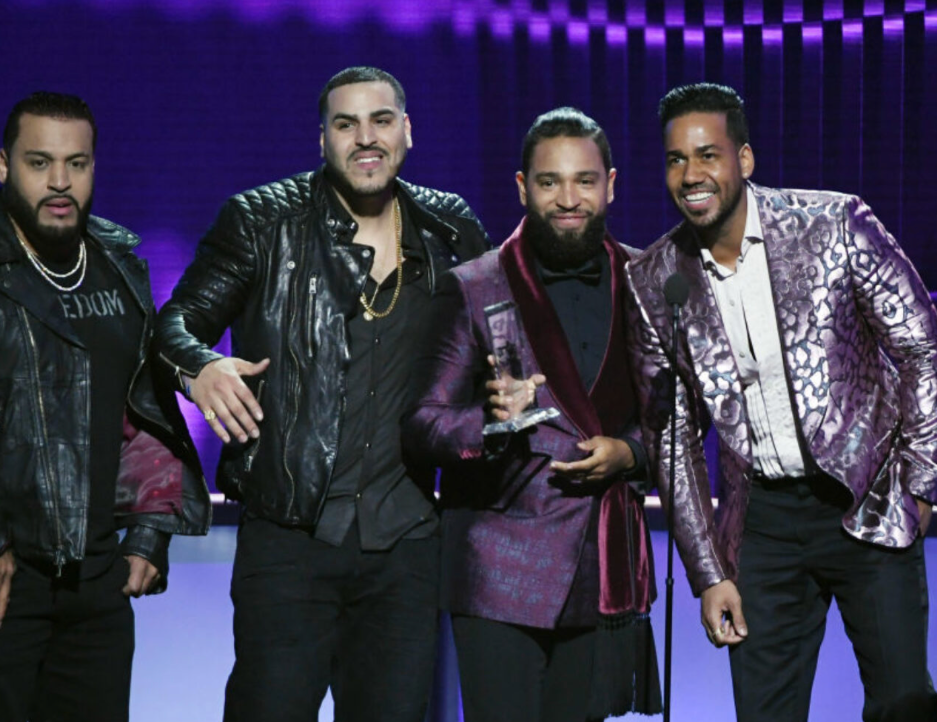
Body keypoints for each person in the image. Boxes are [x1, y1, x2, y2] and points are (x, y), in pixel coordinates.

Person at [154, 66, 488, 722]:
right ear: (323, 139)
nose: (365, 138)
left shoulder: (450, 227)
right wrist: (201, 368)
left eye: (380, 121)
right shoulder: (262, 220)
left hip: (406, 543)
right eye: (346, 124)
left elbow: (490, 347)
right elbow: (173, 326)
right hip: (290, 539)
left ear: (407, 130)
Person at [625, 82, 937, 721]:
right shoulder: (656, 278)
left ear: (744, 158)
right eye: (676, 160)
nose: (691, 175)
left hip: (867, 497)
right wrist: (709, 573)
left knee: (903, 703)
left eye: (708, 155)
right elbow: (672, 436)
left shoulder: (834, 225)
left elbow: (921, 347)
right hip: (761, 523)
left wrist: (922, 482)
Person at [0, 91, 211, 722]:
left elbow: (142, 405)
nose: (60, 181)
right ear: (3, 166)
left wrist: (149, 529)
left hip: (94, 582)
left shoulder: (119, 267)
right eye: (39, 162)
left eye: (77, 163)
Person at [403, 107, 661, 722]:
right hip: (500, 569)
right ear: (523, 188)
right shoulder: (475, 285)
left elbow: (679, 414)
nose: (568, 199)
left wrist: (631, 452)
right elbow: (422, 422)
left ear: (611, 184)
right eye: (550, 182)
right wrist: (492, 423)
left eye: (584, 181)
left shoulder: (650, 281)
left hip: (602, 564)